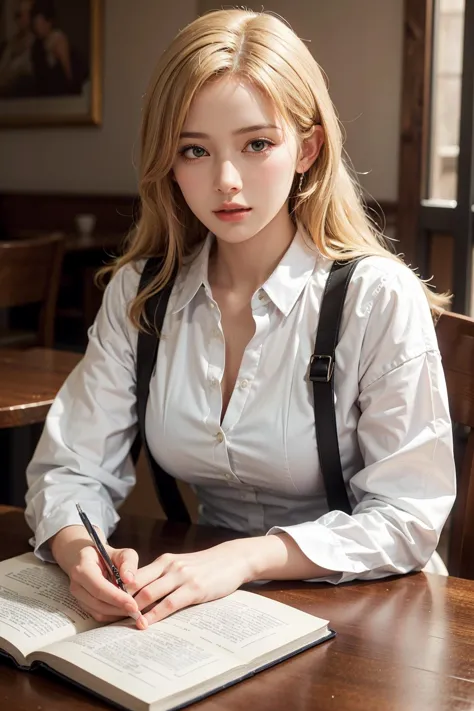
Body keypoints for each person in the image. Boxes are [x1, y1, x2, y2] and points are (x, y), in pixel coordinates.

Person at [25, 8, 456, 631]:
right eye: (194, 150)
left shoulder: (376, 299)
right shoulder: (140, 295)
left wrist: (243, 559)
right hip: (208, 614)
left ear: (307, 147)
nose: (226, 181)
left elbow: (408, 517)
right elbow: (71, 467)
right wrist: (80, 552)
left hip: (375, 615)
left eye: (258, 144)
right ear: (168, 163)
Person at [0, 0, 35, 97]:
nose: (18, 19)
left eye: (22, 14)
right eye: (17, 15)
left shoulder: (36, 43)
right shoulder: (11, 43)